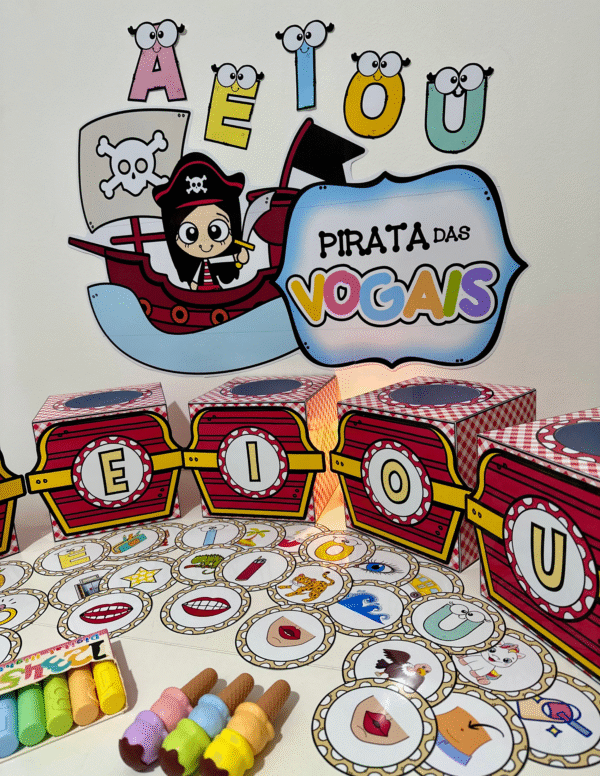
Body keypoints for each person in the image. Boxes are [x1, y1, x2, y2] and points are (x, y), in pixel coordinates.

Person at [153, 152, 250, 290]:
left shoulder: (224, 259)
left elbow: (229, 276)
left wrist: (239, 258)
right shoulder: (190, 269)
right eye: (190, 234)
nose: (205, 246)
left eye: (216, 231)